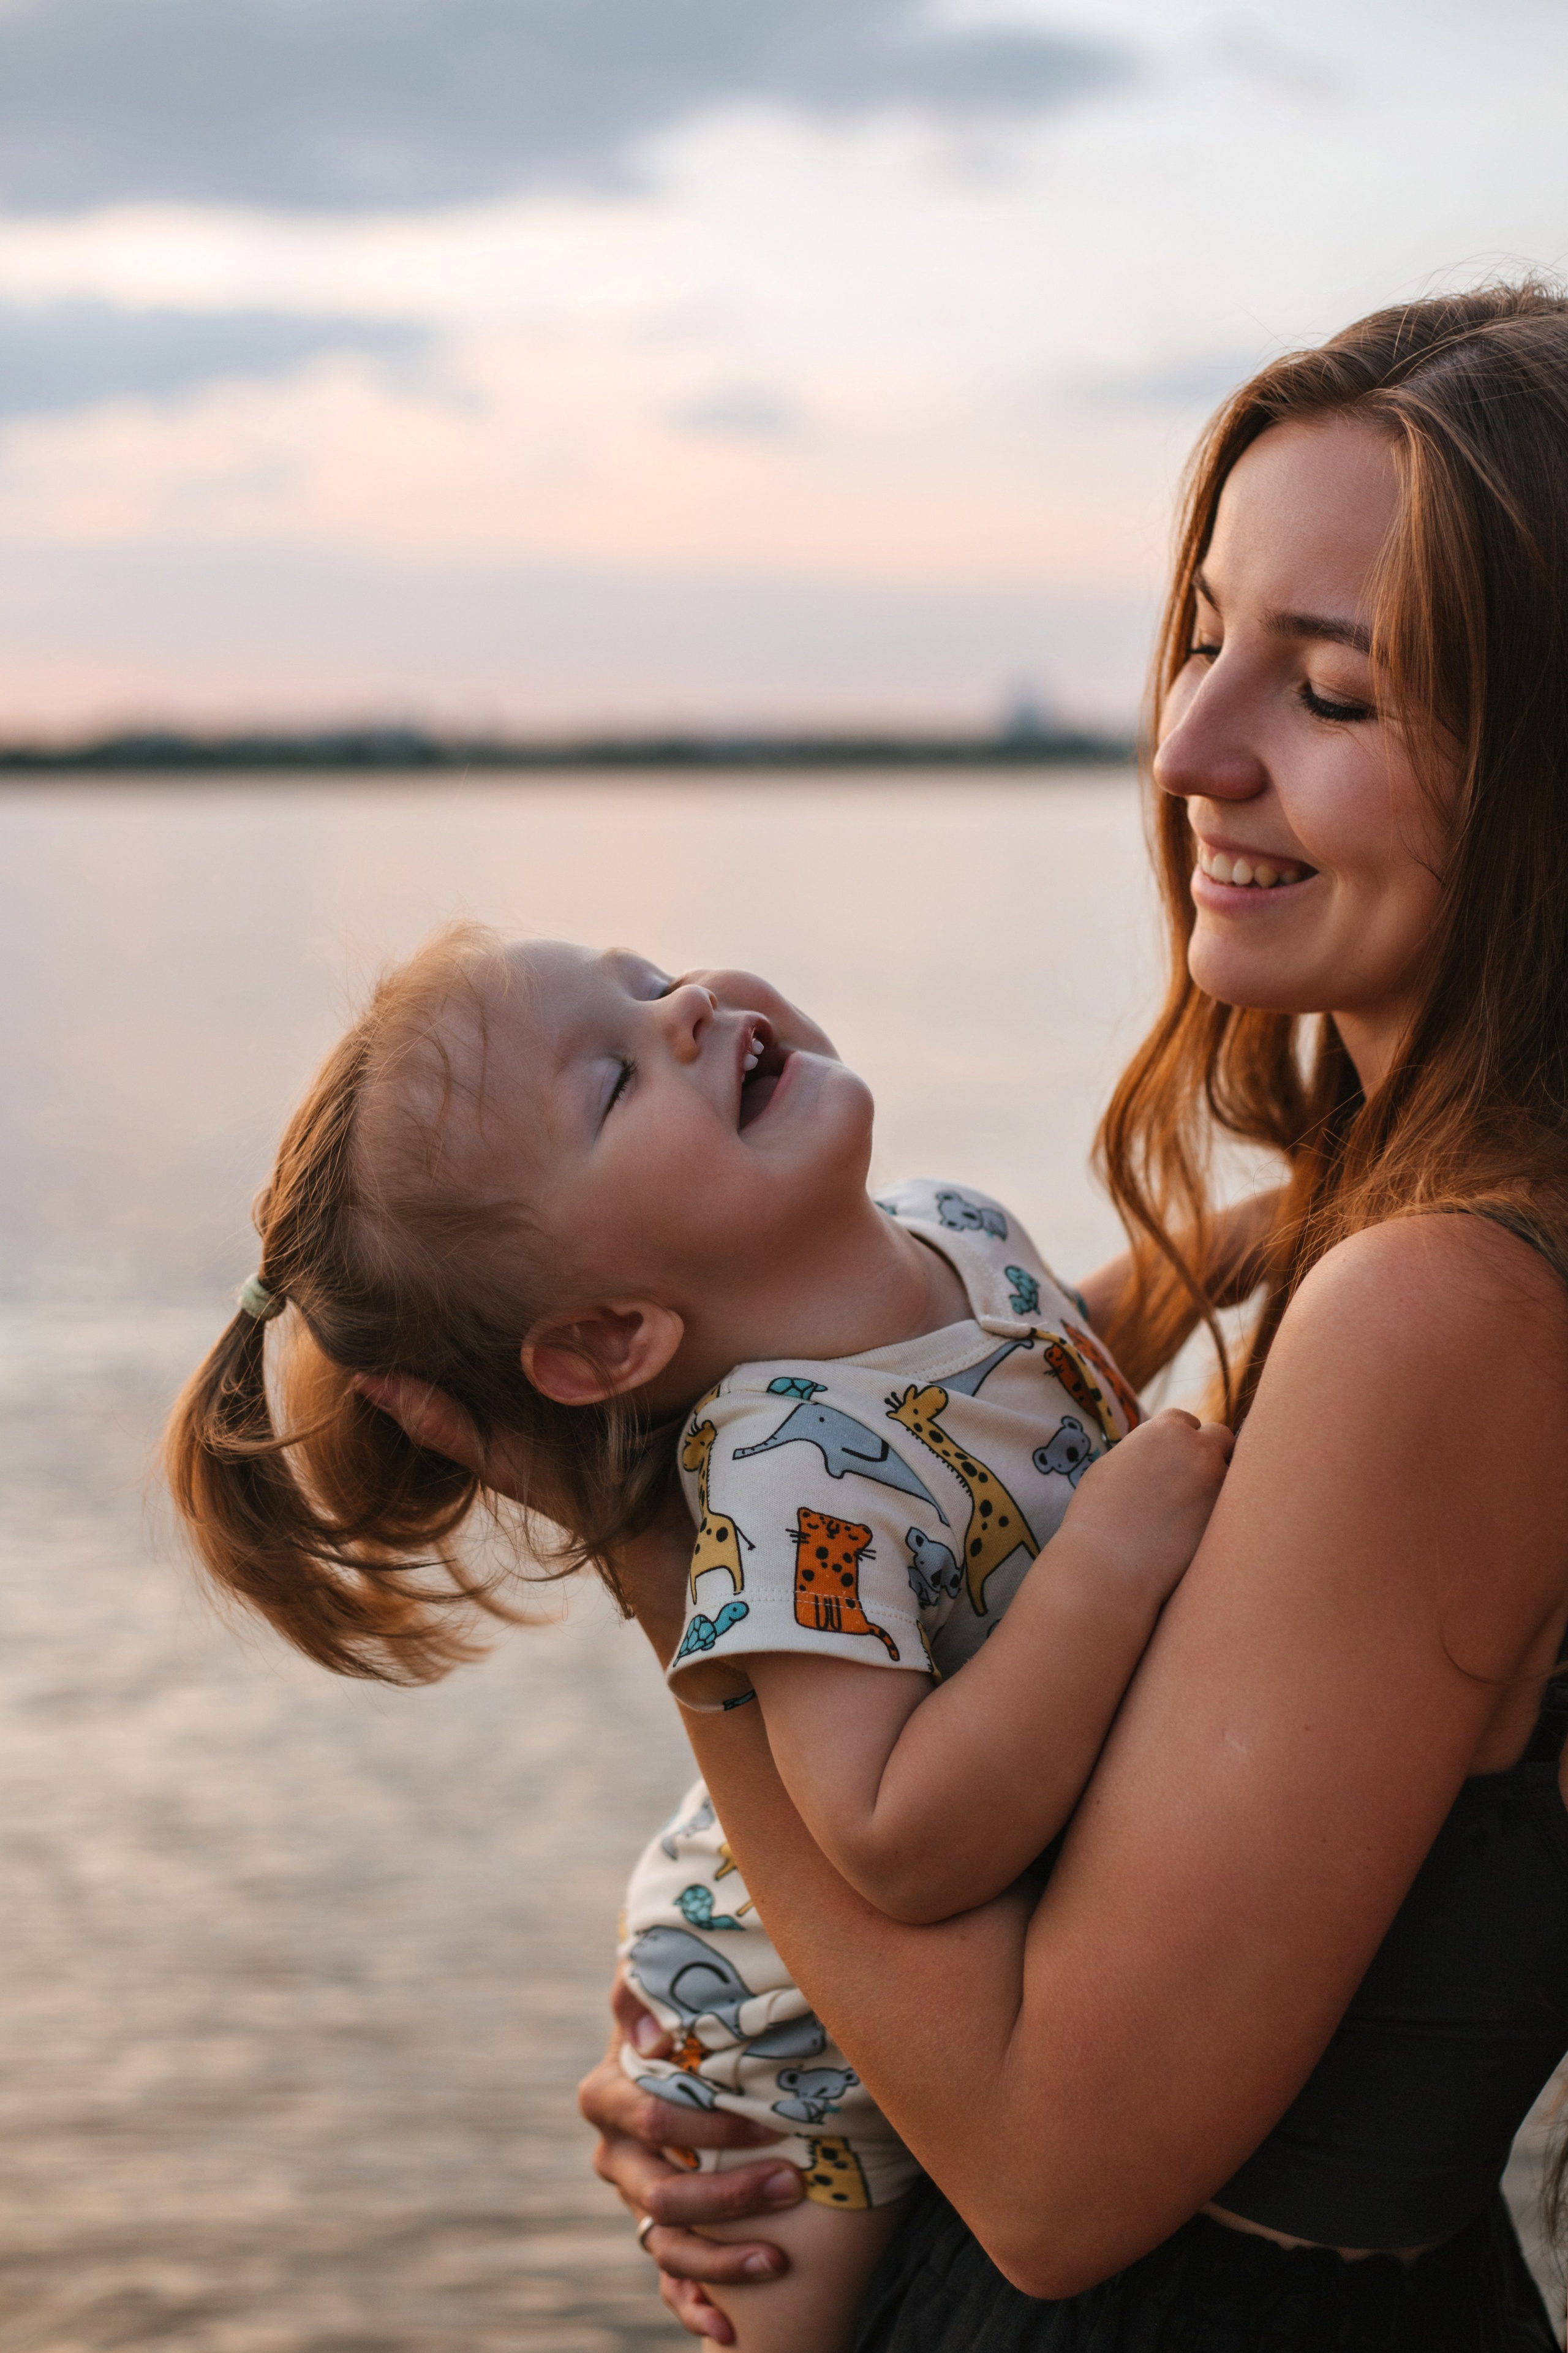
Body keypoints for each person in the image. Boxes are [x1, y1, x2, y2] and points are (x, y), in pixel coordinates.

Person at [513, 281, 1568, 2349]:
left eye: (1331, 692)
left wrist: (675, 1578)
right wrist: (779, 2090)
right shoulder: (1403, 1231)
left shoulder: (1446, 1304)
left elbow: (1056, 2179)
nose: (1187, 747)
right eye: (1202, 638)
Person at [162, 927, 1231, 2352]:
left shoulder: (951, 1230)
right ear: (608, 1341)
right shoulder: (787, 1483)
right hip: (781, 2054)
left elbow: (1027, 1383)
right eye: (609, 1082)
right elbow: (892, 1831)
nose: (686, 1012)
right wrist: (1108, 1559)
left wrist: (1243, 1245)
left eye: (647, 977)